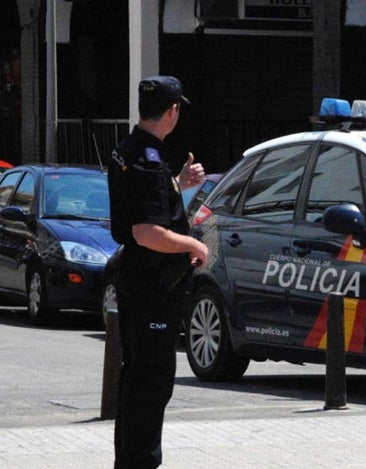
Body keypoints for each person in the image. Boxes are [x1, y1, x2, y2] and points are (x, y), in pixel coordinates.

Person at [108, 75, 208, 469]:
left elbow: (145, 206)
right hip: (152, 288)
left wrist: (179, 185)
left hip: (136, 280)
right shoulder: (149, 161)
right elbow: (146, 231)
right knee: (151, 383)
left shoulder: (128, 150)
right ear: (173, 111)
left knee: (136, 381)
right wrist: (194, 246)